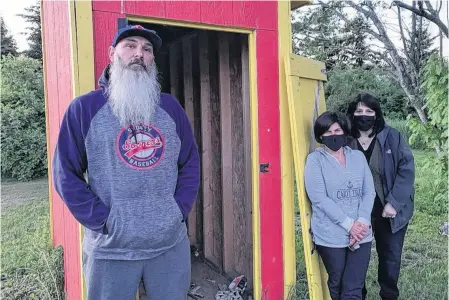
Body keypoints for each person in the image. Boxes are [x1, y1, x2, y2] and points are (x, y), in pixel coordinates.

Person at [52, 25, 200, 300]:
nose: (138, 54)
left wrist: (177, 211)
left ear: (153, 59)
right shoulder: (84, 109)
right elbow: (64, 174)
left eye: (147, 49)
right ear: (112, 54)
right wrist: (102, 221)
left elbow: (190, 162)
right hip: (111, 249)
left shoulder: (170, 108)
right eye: (130, 46)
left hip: (168, 245)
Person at [346, 93, 415, 300]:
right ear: (352, 114)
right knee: (356, 259)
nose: (364, 116)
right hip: (358, 213)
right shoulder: (345, 139)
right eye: (359, 111)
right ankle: (358, 295)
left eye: (369, 111)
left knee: (390, 259)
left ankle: (389, 295)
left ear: (377, 114)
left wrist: (393, 203)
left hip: (388, 211)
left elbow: (407, 170)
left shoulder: (393, 136)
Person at [304, 111, 376, 300]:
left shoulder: (358, 158)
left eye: (337, 130)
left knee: (354, 286)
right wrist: (349, 225)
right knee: (337, 283)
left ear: (344, 132)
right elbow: (319, 198)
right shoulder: (315, 161)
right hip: (331, 235)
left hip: (361, 233)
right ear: (321, 136)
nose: (333, 135)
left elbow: (369, 192)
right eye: (328, 132)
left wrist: (360, 223)